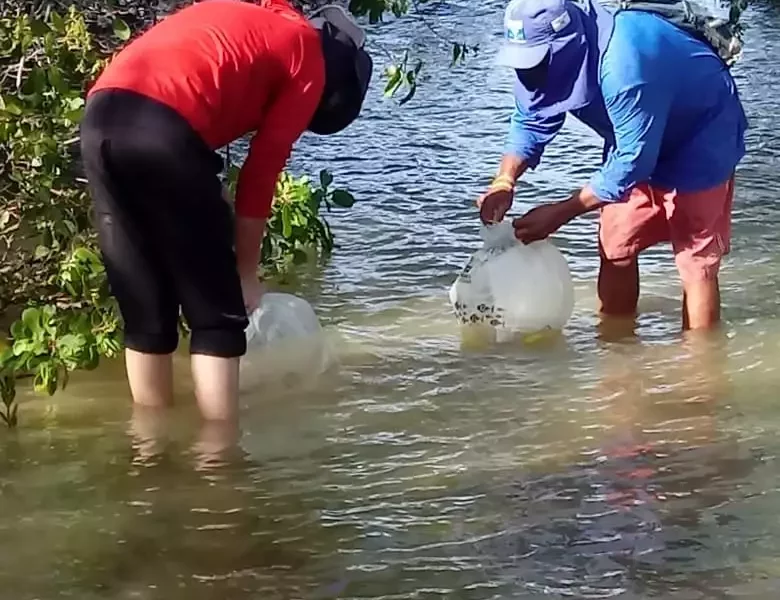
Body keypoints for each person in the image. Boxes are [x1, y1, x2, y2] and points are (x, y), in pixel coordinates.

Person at [79, 0, 372, 423]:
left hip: (100, 116)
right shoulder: (307, 58)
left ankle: (150, 453)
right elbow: (261, 173)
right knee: (217, 316)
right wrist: (246, 277)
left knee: (146, 311)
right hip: (163, 127)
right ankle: (219, 463)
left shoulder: (269, 22)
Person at [478, 0, 747, 332]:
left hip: (701, 134)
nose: (531, 73)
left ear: (567, 44)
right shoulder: (543, 68)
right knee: (616, 244)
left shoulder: (623, 64)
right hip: (634, 136)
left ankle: (699, 373)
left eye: (537, 62)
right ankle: (616, 351)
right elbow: (531, 117)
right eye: (524, 63)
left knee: (696, 264)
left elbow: (633, 162)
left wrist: (562, 212)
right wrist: (504, 181)